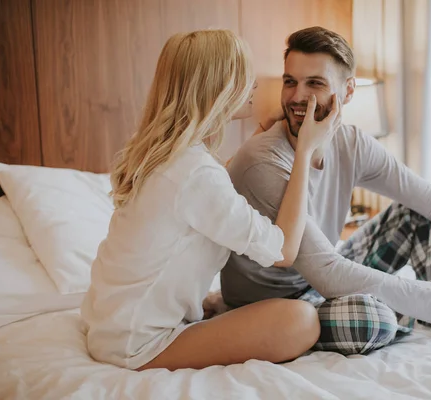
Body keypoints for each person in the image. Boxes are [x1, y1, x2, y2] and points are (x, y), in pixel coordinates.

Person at [221, 26, 431, 355]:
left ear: (348, 92)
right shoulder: (262, 160)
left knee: (416, 214)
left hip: (324, 277)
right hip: (274, 307)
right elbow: (327, 272)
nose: (297, 97)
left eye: (314, 83)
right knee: (368, 320)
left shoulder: (352, 143)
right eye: (290, 82)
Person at [80, 30, 341, 371]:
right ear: (218, 89)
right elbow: (281, 250)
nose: (255, 86)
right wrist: (304, 151)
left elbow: (211, 191)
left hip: (112, 325)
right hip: (134, 344)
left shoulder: (169, 158)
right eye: (244, 77)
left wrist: (260, 138)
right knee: (300, 320)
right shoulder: (196, 174)